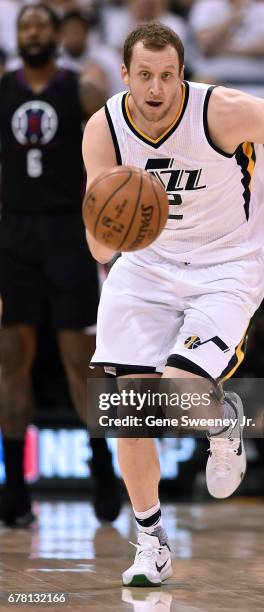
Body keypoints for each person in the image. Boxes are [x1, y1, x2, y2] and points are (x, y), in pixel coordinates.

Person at [82, 22, 264, 586]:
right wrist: (114, 229)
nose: (156, 89)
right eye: (144, 77)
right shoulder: (104, 129)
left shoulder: (221, 112)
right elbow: (97, 239)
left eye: (167, 76)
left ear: (181, 73)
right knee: (129, 410)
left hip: (227, 263)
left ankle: (223, 422)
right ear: (125, 76)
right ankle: (151, 542)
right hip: (147, 265)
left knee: (181, 386)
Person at [0, 3, 121, 526]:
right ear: (17, 34)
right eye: (25, 25)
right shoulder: (1, 90)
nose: (33, 32)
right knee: (11, 366)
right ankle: (15, 494)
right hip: (12, 236)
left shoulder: (83, 90)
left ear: (57, 36)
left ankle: (102, 468)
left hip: (68, 236)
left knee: (82, 364)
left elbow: (112, 171)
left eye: (42, 26)